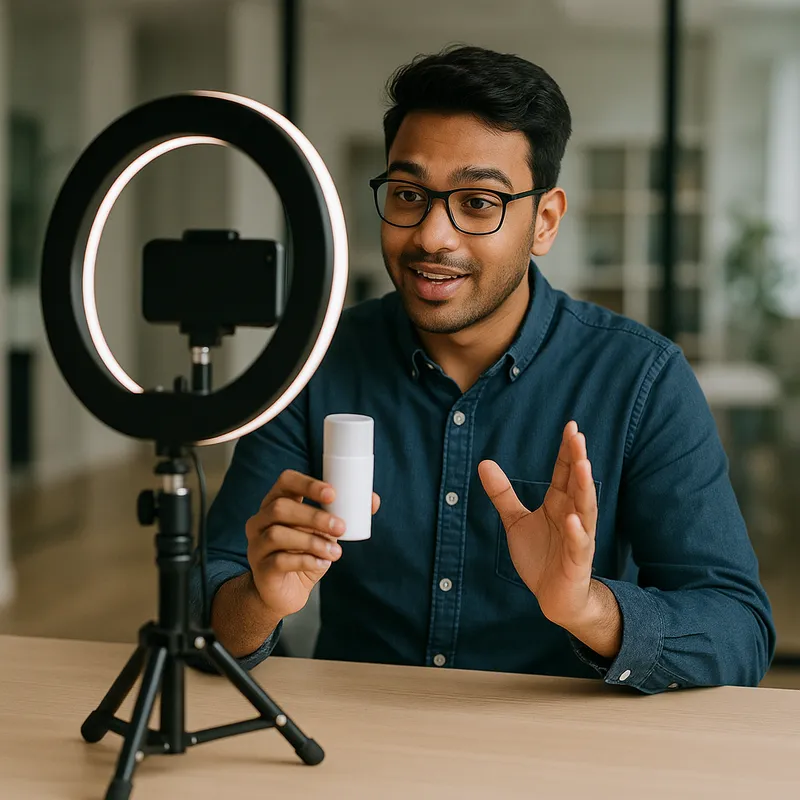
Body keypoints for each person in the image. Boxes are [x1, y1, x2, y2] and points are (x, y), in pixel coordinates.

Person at [193, 45, 775, 694]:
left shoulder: (641, 378)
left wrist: (586, 608)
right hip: (356, 747)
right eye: (409, 194)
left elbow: (739, 631)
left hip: (561, 759)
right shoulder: (317, 362)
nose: (432, 236)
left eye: (477, 203)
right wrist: (261, 598)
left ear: (544, 221)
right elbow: (207, 607)